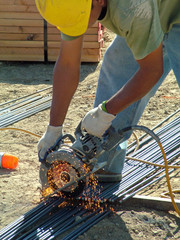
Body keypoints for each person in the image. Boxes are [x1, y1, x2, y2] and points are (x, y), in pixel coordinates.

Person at [36, 0, 180, 182]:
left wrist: (106, 112)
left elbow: (152, 69)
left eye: (82, 21)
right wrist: (53, 129)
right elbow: (67, 64)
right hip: (148, 11)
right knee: (118, 70)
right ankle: (102, 163)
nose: (80, 28)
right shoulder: (72, 5)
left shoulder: (131, 8)